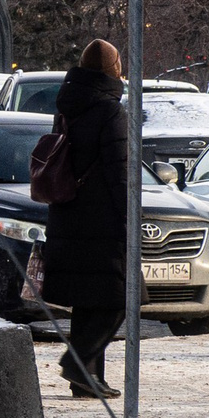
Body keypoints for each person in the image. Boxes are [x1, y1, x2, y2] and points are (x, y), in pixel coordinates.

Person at [41, 38, 130, 399]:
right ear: (114, 70)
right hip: (103, 222)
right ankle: (78, 365)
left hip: (67, 217)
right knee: (122, 297)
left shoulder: (67, 106)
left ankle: (87, 380)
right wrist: (129, 219)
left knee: (88, 301)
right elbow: (120, 172)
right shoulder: (111, 112)